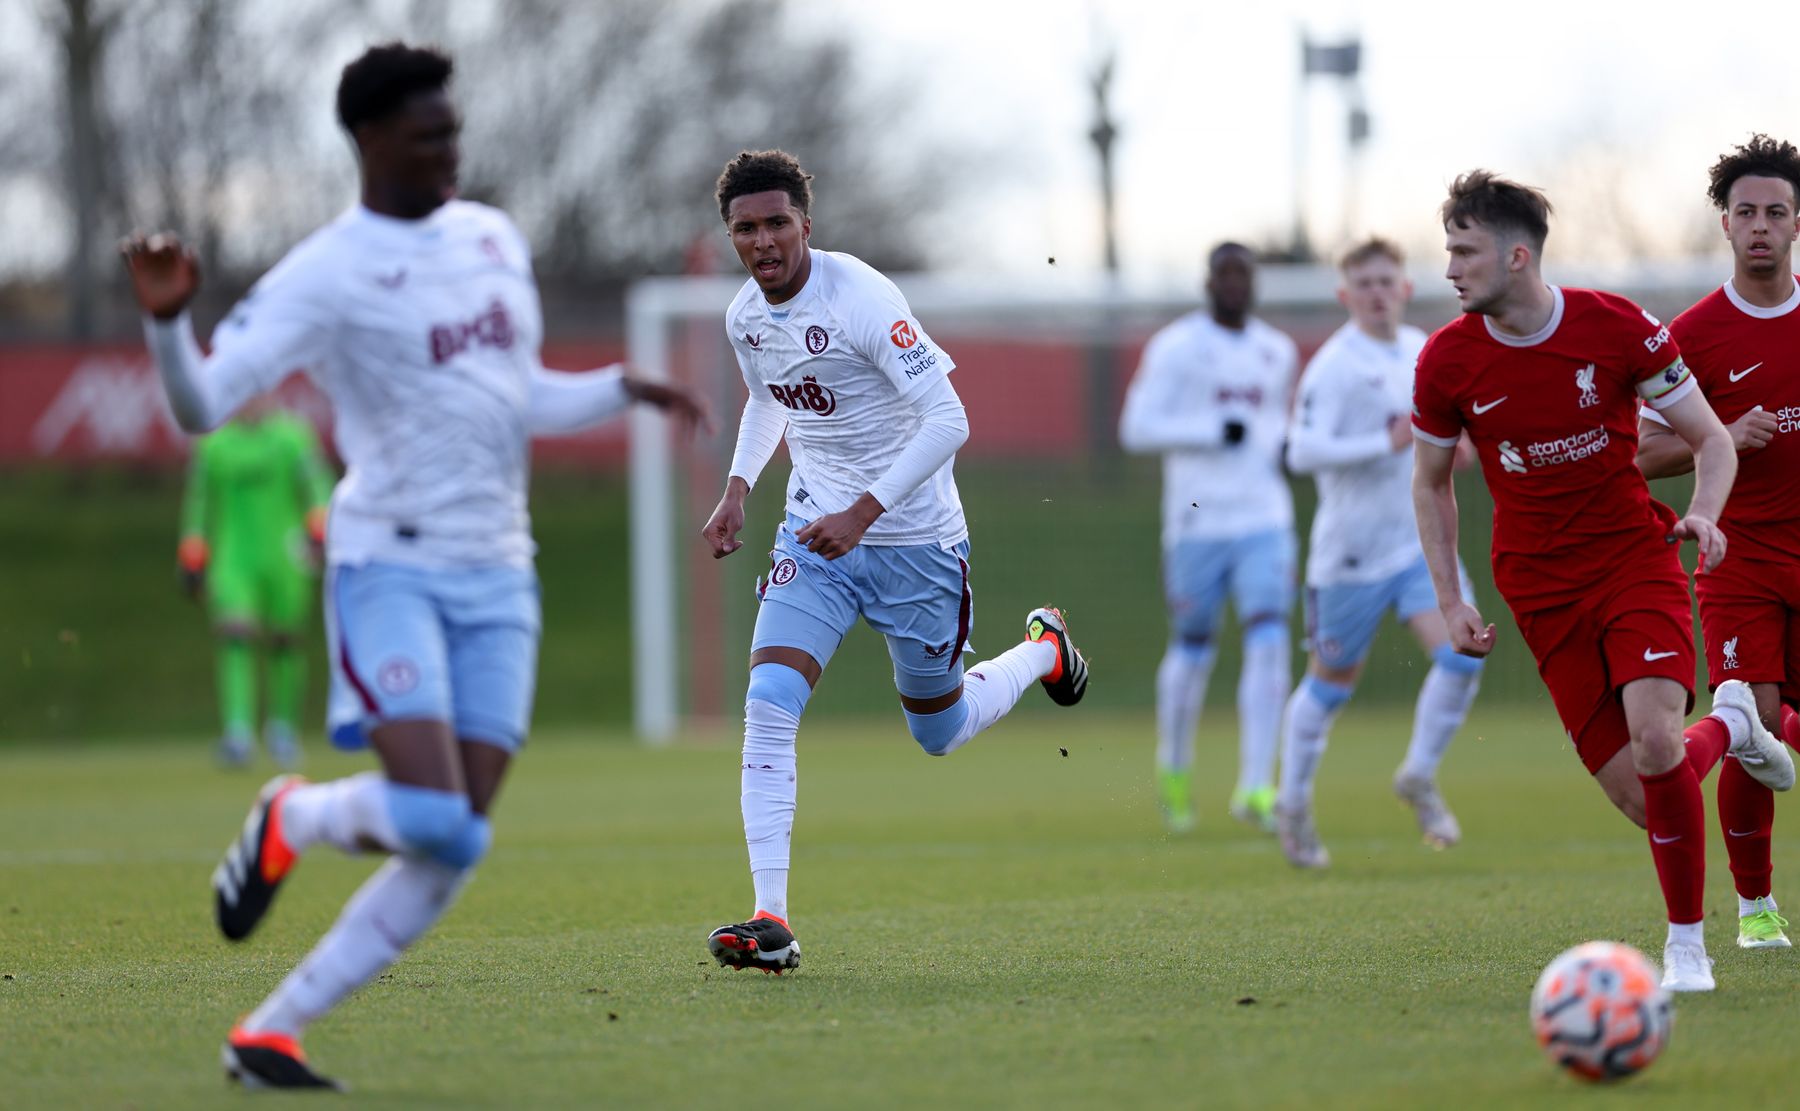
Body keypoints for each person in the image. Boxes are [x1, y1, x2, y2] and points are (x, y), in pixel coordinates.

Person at [121, 43, 709, 1088]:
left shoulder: (490, 237)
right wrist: (170, 321)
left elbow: (516, 390)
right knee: (436, 813)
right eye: (428, 133)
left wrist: (624, 387)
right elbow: (202, 408)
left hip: (500, 572)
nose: (451, 149)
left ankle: (272, 1031)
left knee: (456, 840)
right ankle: (291, 813)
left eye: (454, 129)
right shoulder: (326, 273)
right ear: (369, 140)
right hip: (388, 561)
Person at [700, 149, 1089, 974]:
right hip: (815, 536)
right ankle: (771, 915)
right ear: (730, 235)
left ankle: (1045, 648)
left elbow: (950, 419)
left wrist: (865, 510)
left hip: (916, 543)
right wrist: (739, 487)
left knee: (939, 731)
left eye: (777, 223)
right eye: (746, 228)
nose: (763, 241)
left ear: (807, 224)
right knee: (769, 698)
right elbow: (768, 396)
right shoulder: (744, 317)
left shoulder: (864, 299)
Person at [1411, 170, 1793, 993]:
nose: (1449, 269)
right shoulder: (1445, 361)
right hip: (1541, 588)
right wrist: (1451, 597)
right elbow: (1431, 482)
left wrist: (1707, 515)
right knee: (1642, 793)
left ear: (1517, 256)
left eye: (1463, 251)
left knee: (1658, 743)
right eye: (1448, 251)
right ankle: (1731, 725)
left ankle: (1686, 946)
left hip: (1633, 560)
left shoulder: (1616, 326)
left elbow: (1711, 441)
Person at [1636, 134, 1800, 950]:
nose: (1760, 226)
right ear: (1726, 226)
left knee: (1773, 729)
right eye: (1746, 213)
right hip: (1740, 558)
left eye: (1775, 211)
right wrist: (1722, 435)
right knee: (1753, 712)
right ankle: (1756, 906)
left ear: (1797, 223)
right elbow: (1641, 451)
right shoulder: (1691, 335)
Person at [1276, 238, 1482, 867]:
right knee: (1331, 685)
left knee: (1465, 650)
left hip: (1418, 547)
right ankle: (1293, 804)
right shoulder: (1334, 366)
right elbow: (1300, 452)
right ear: (1345, 295)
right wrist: (1382, 441)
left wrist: (1456, 448)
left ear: (1404, 288)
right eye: (1362, 282)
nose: (1375, 291)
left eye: (1384, 280)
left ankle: (1418, 775)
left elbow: (1438, 433)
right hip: (1350, 558)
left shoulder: (1423, 349)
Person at [1119, 242, 1299, 834]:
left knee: (1270, 638)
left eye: (1242, 275)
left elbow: (1275, 429)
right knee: (1193, 648)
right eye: (1223, 274)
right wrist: (1208, 431)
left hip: (1264, 517)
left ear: (1254, 283)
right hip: (1196, 522)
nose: (1233, 284)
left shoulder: (1277, 351)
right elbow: (1136, 428)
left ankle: (1256, 785)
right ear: (1208, 281)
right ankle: (1174, 771)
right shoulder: (1176, 346)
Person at [179, 392, 334, 767]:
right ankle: (238, 732)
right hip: (234, 555)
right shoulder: (214, 446)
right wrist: (192, 552)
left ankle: (282, 728)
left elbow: (317, 489)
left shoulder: (293, 438)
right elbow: (199, 504)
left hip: (284, 554)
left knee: (286, 642)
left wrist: (319, 527)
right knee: (234, 636)